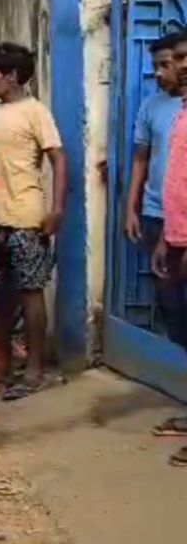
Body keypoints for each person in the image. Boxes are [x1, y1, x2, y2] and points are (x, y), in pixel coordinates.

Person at [0, 43, 66, 400]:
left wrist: (56, 209)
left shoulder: (36, 112)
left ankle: (35, 368)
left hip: (26, 218)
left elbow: (59, 160)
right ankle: (0, 363)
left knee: (31, 294)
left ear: (12, 76)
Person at [127, 33, 187, 350]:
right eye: (158, 65)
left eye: (169, 63)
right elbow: (141, 159)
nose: (162, 72)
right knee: (168, 294)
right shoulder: (151, 106)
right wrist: (130, 209)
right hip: (158, 215)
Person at [151, 33, 187, 466]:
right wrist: (167, 237)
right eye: (176, 59)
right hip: (176, 236)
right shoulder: (179, 112)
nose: (179, 65)